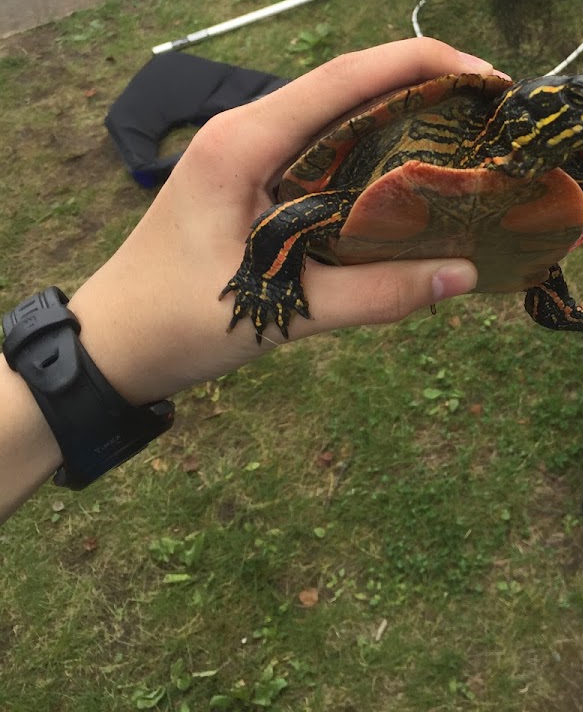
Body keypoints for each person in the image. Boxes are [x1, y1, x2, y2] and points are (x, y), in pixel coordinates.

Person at [0, 37, 503, 524]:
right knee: (291, 224)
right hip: (347, 201)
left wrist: (82, 373)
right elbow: (286, 219)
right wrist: (265, 279)